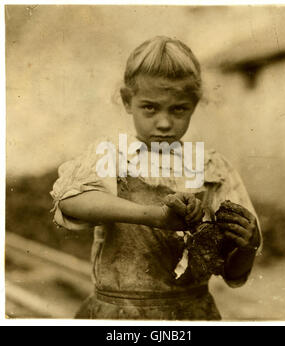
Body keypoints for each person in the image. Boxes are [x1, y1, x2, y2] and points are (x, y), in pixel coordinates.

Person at [50, 36, 262, 320]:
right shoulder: (112, 156)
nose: (163, 122)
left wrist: (248, 245)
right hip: (119, 315)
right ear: (128, 101)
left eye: (178, 109)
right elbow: (70, 201)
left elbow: (232, 273)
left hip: (192, 315)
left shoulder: (213, 168)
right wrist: (154, 216)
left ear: (194, 104)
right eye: (150, 107)